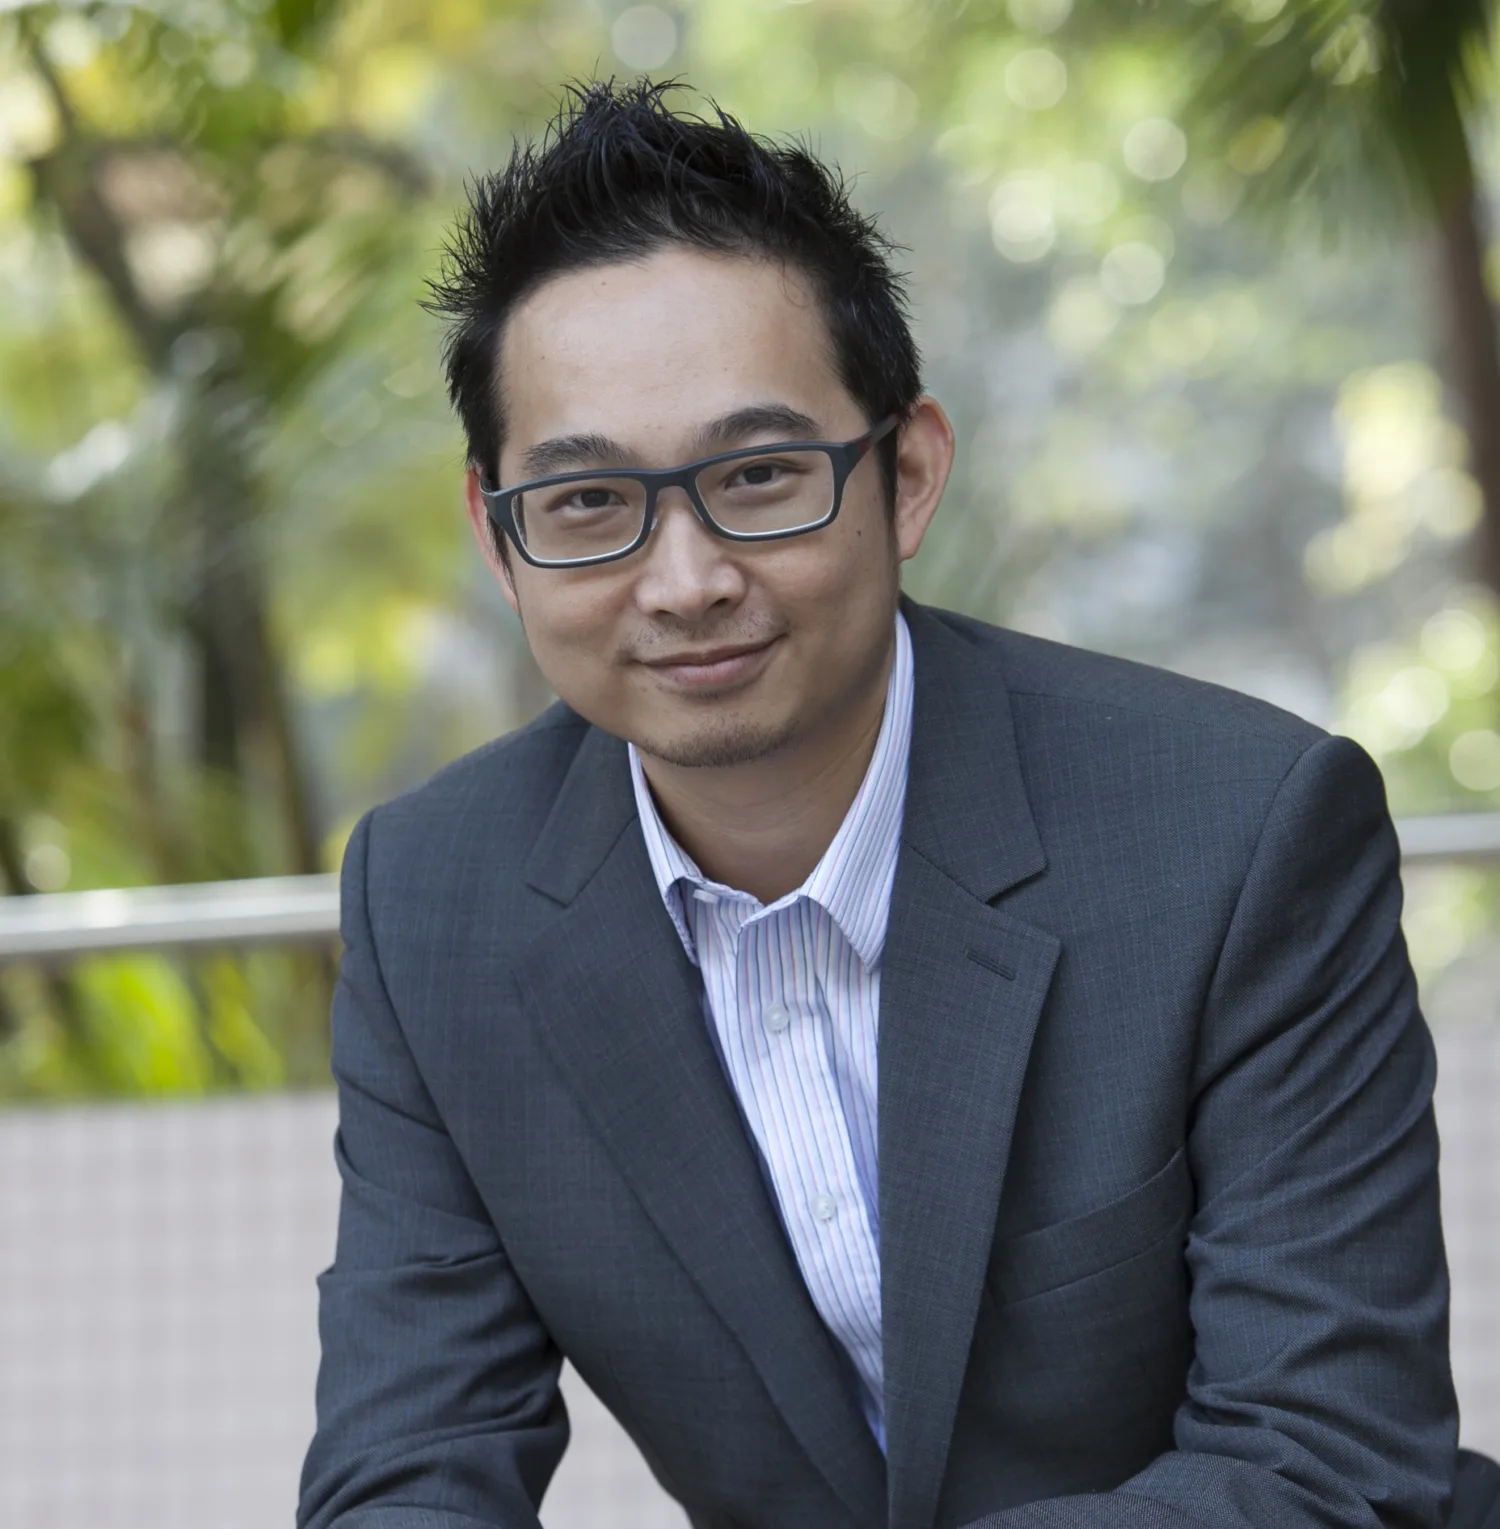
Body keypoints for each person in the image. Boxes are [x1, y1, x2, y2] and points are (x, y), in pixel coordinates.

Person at [297, 80, 1466, 1529]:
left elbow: (1329, 1460)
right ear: (498, 536)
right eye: (590, 503)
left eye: (761, 474)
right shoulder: (432, 905)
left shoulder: (1242, 833)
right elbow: (408, 1472)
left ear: (906, 476)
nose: (685, 579)